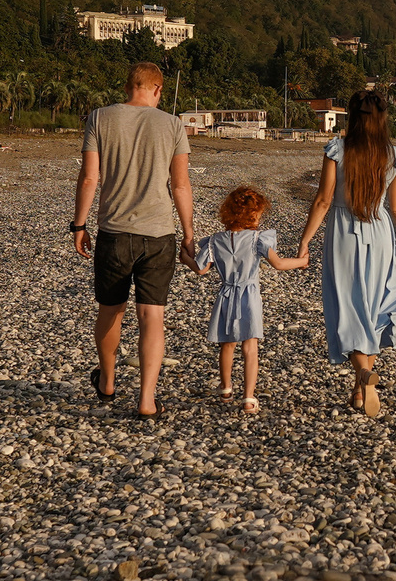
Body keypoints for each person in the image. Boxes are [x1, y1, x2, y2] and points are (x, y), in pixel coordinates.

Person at [70, 61, 194, 418]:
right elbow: (181, 185)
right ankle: (146, 401)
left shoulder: (99, 118)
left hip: (114, 231)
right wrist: (188, 234)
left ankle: (107, 382)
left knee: (111, 310)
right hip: (158, 235)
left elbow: (89, 178)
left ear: (129, 86)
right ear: (157, 89)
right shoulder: (172, 124)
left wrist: (79, 226)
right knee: (151, 316)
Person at [293, 89, 396, 417]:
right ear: (382, 120)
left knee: (347, 309)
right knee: (375, 306)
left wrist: (305, 240)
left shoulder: (337, 151)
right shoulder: (393, 155)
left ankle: (363, 376)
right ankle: (359, 389)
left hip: (343, 235)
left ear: (351, 117)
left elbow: (323, 200)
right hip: (379, 233)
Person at [192, 184, 308, 413]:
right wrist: (302, 262)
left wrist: (185, 256)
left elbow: (201, 269)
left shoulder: (216, 240)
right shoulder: (257, 239)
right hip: (249, 295)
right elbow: (279, 264)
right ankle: (248, 397)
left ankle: (225, 388)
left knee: (227, 343)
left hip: (226, 293)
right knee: (250, 346)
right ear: (252, 214)